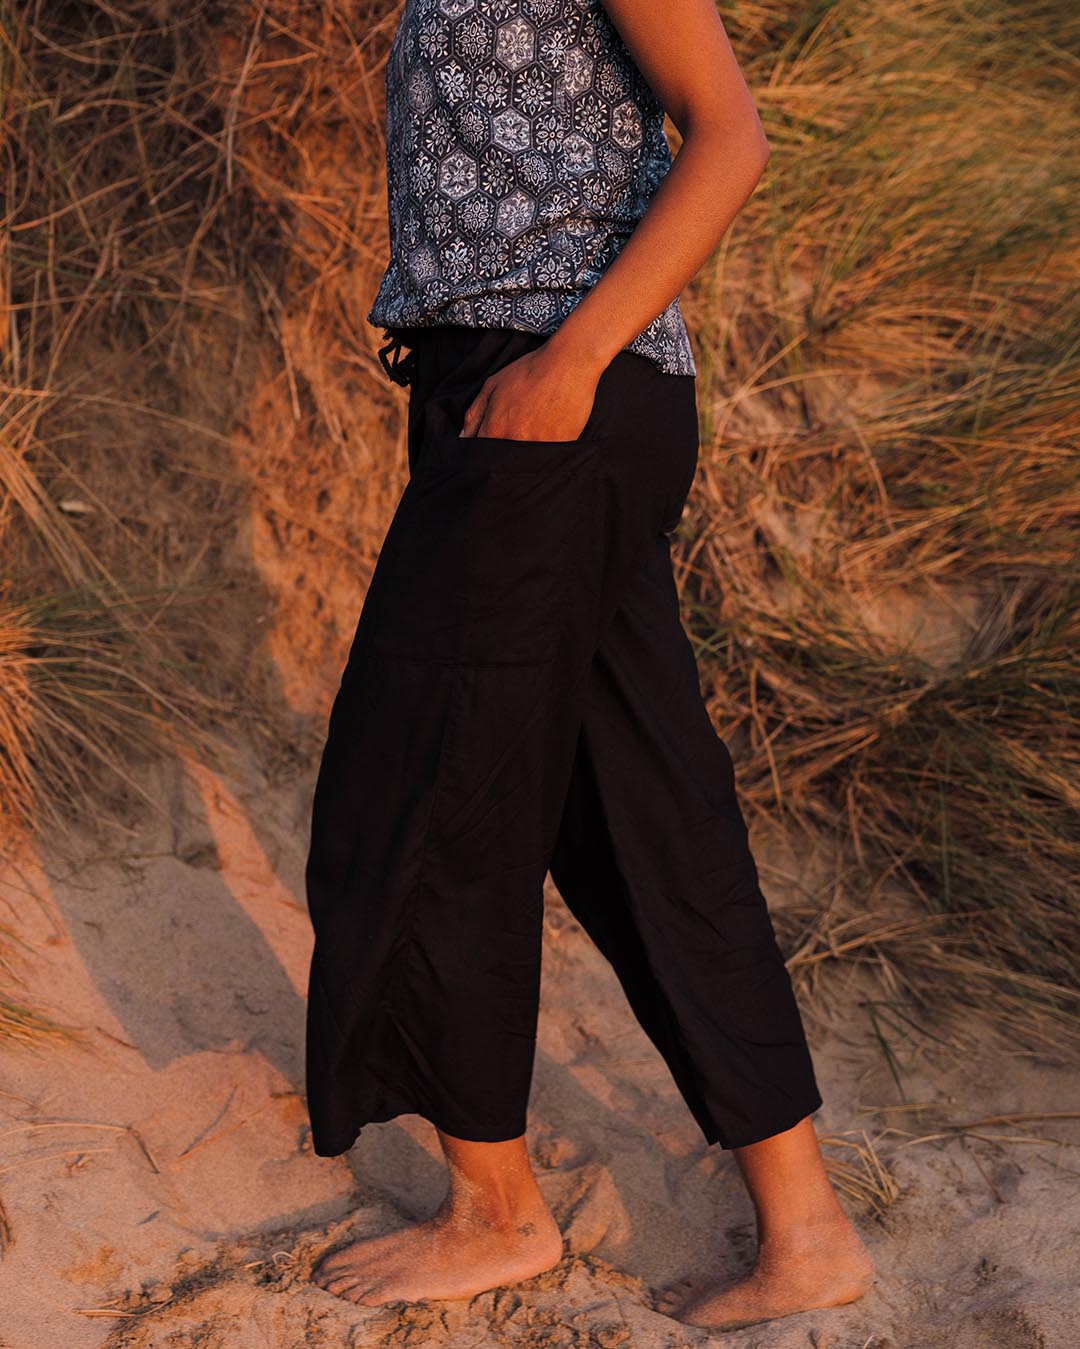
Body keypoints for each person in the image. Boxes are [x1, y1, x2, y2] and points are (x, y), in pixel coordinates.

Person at [303, 0, 875, 1331]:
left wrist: (568, 360)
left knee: (426, 791)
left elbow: (731, 136)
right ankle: (808, 1231)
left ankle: (497, 1211)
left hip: (558, 385)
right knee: (646, 815)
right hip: (518, 393)